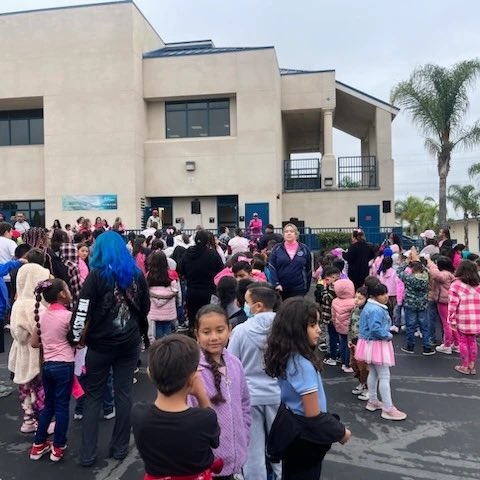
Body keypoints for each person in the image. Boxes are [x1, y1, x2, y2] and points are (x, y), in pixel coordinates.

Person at [69, 231, 150, 467]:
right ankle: (120, 448)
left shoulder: (96, 276)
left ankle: (87, 453)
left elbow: (82, 309)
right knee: (124, 395)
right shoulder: (136, 275)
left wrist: (75, 338)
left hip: (100, 344)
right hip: (128, 343)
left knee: (93, 395)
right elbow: (144, 307)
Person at [264, 297, 351, 479]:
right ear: (295, 329)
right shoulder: (302, 364)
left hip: (291, 432)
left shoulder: (286, 356)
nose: (319, 330)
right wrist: (340, 432)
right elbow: (313, 414)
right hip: (305, 437)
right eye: (312, 325)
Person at [132, 335, 221, 478]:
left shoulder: (139, 414)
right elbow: (215, 441)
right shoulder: (204, 418)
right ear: (192, 378)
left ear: (150, 373)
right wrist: (200, 394)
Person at [190, 305, 251, 479]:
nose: (214, 337)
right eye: (207, 332)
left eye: (220, 330)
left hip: (236, 457)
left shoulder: (235, 363)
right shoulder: (195, 372)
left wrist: (244, 435)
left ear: (229, 330)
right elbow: (190, 415)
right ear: (197, 334)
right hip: (208, 463)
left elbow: (245, 403)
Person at [227, 284, 282, 480]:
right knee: (280, 442)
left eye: (247, 302)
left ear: (258, 306)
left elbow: (231, 364)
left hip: (250, 395)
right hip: (278, 393)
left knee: (253, 447)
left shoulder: (241, 331)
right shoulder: (284, 328)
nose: (245, 306)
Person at [29, 279, 75, 462]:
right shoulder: (68, 316)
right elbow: (78, 341)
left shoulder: (42, 316)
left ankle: (38, 445)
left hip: (47, 365)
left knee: (49, 405)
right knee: (62, 406)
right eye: (67, 289)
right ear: (62, 294)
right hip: (65, 364)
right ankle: (58, 446)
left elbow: (34, 343)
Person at [8, 262, 51, 432]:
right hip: (35, 353)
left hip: (20, 351)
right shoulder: (35, 306)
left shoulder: (18, 303)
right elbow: (43, 328)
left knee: (25, 388)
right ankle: (43, 423)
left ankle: (28, 420)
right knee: (40, 389)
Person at [355, 282, 407, 420]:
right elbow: (376, 329)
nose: (385, 296)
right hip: (377, 344)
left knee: (374, 372)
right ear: (374, 296)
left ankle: (372, 400)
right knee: (384, 375)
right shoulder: (376, 310)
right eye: (382, 294)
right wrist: (388, 335)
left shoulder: (370, 307)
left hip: (368, 343)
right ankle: (388, 408)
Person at [180, 230, 224, 331]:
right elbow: (221, 270)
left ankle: (193, 340)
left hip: (192, 290)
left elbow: (181, 270)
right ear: (207, 240)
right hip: (209, 291)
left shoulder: (187, 254)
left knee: (193, 319)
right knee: (208, 319)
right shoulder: (213, 254)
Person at [398, 250, 434, 355]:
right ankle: (427, 347)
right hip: (423, 304)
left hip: (410, 303)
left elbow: (398, 272)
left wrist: (407, 262)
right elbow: (427, 270)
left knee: (410, 326)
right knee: (424, 325)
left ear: (413, 269)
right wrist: (420, 261)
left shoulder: (408, 278)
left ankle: (410, 346)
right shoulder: (426, 277)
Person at [448, 260, 480, 375]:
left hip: (462, 317)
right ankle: (472, 365)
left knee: (463, 341)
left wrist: (451, 319)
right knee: (472, 341)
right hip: (476, 318)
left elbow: (452, 304)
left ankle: (465, 366)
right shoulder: (478, 284)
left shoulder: (456, 285)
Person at [268, 223, 312, 300]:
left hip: (299, 287)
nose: (289, 233)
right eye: (286, 231)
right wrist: (276, 284)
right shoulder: (277, 248)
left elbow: (309, 269)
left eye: (291, 231)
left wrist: (306, 287)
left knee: (296, 310)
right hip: (281, 288)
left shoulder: (304, 249)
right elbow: (272, 267)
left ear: (296, 234)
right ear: (283, 234)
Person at [426, 256, 458, 355]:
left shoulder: (443, 274)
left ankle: (447, 345)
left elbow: (435, 274)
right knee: (452, 323)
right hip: (450, 300)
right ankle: (456, 344)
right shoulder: (452, 274)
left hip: (443, 301)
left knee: (446, 324)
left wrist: (429, 262)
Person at [146, 251, 178, 339]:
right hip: (168, 309)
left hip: (154, 309)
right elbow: (176, 290)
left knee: (158, 329)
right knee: (167, 327)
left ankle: (159, 347)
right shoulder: (171, 275)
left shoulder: (149, 276)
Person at [348, 286, 369, 399]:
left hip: (362, 341)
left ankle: (367, 387)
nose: (356, 300)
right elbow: (350, 325)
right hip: (354, 340)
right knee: (354, 364)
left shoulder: (366, 312)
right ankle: (361, 382)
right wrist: (350, 339)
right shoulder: (354, 309)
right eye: (355, 297)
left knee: (363, 366)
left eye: (360, 298)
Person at [332, 279, 356, 373]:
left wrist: (335, 323)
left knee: (342, 343)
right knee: (348, 346)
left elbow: (333, 315)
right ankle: (347, 364)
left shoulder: (335, 301)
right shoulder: (353, 302)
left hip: (339, 326)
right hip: (349, 328)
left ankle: (342, 362)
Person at [319, 267, 341, 366]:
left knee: (331, 336)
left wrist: (324, 290)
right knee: (338, 336)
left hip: (330, 316)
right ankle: (339, 355)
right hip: (338, 316)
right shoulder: (341, 288)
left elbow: (326, 299)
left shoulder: (331, 289)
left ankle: (332, 356)